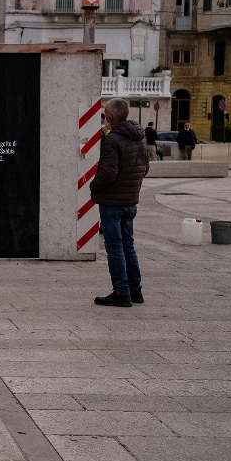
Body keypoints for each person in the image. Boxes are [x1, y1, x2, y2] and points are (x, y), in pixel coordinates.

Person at [89, 98, 149, 307]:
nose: (104, 118)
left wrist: (93, 187)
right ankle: (135, 290)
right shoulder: (140, 137)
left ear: (111, 117)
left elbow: (108, 172)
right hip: (130, 201)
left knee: (114, 247)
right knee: (128, 246)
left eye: (105, 115)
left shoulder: (113, 140)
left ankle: (121, 292)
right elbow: (145, 167)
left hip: (112, 202)